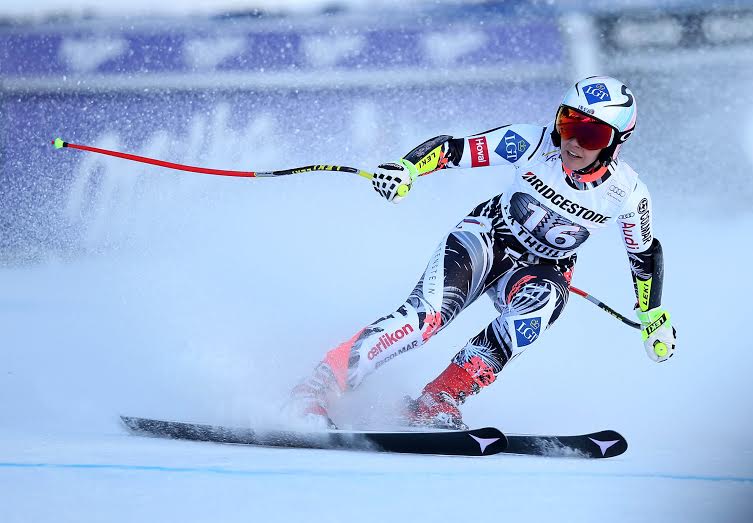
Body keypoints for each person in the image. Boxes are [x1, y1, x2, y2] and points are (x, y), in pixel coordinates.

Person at [285, 76, 677, 430]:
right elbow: (453, 150)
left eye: (591, 136)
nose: (573, 142)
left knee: (534, 316)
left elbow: (643, 255)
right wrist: (407, 170)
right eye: (568, 124)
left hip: (544, 268)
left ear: (616, 141)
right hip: (487, 238)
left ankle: (438, 399)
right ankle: (316, 387)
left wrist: (652, 313)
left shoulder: (628, 193)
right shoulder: (532, 142)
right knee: (423, 320)